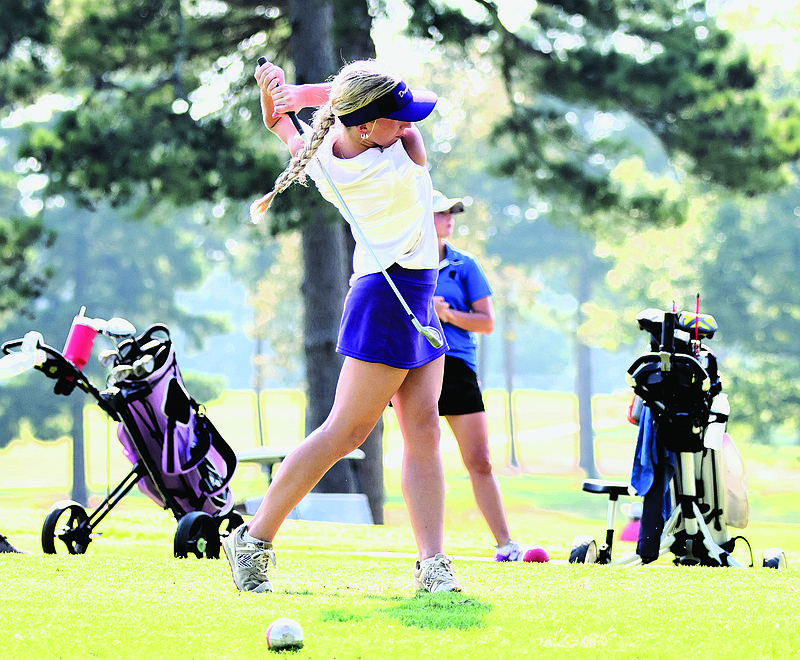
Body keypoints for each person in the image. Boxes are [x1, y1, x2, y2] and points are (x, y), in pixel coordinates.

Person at [222, 58, 460, 594]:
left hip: (417, 293)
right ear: (366, 127)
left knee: (422, 428)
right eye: (396, 117)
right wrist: (297, 92)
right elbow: (308, 112)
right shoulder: (389, 156)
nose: (409, 122)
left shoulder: (333, 154)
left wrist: (285, 96)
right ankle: (253, 539)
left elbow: (280, 123)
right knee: (345, 432)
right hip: (387, 295)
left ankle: (433, 565)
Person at [431, 190, 544, 562]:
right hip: (412, 366)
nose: (450, 218)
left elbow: (487, 322)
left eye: (452, 213)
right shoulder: (399, 263)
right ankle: (430, 552)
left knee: (479, 460)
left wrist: (447, 315)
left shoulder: (465, 265)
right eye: (442, 213)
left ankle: (505, 545)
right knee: (420, 453)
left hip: (456, 365)